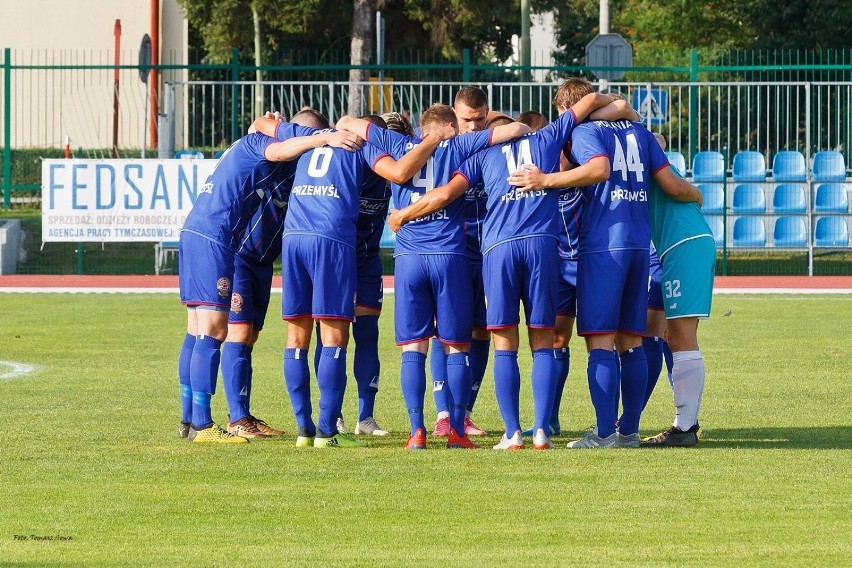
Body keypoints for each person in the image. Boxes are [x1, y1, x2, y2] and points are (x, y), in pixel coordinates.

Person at [389, 82, 626, 451]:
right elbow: (592, 100)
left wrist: (403, 213)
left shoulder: (483, 154)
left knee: (503, 342)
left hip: (498, 250)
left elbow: (443, 194)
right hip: (543, 248)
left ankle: (512, 432)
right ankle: (542, 431)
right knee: (543, 340)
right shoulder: (549, 137)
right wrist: (620, 106)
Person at [507, 94, 702, 449]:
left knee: (600, 341)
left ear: (567, 110)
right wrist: (697, 195)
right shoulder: (639, 133)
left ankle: (603, 433)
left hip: (602, 247)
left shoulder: (583, 132)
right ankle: (628, 432)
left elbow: (598, 169)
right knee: (632, 340)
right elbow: (670, 182)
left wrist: (544, 180)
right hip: (639, 244)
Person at [347, 104, 530, 450]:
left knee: (413, 347)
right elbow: (515, 130)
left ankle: (417, 431)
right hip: (449, 255)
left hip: (409, 258)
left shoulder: (397, 144)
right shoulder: (459, 146)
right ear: (448, 125)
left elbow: (348, 122)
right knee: (456, 345)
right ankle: (457, 429)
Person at [177, 121, 363, 443]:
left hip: (200, 233)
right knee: (214, 330)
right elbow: (277, 148)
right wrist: (323, 138)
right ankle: (204, 426)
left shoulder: (245, 150)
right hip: (217, 240)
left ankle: (190, 421)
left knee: (197, 329)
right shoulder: (255, 145)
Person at [281, 114, 445, 449]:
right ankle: (330, 422)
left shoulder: (345, 152)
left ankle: (363, 418)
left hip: (360, 256)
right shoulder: (365, 152)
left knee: (364, 332)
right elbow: (397, 170)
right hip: (335, 248)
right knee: (328, 332)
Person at [219, 109, 332, 440]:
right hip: (240, 254)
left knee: (250, 335)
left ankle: (243, 414)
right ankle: (237, 419)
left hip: (264, 261)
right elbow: (258, 126)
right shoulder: (271, 157)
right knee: (239, 334)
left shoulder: (308, 172)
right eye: (300, 135)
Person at [640, 133, 715, 447]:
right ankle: (686, 424)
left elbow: (676, 186)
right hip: (682, 247)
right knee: (673, 336)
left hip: (684, 246)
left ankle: (684, 427)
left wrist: (695, 192)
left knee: (682, 337)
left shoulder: (648, 162)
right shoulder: (645, 163)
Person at [430, 86, 493, 439]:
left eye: (479, 119)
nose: (472, 126)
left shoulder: (496, 146)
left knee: (483, 330)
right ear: (455, 116)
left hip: (489, 256)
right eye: (466, 119)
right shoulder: (441, 151)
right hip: (451, 253)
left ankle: (465, 411)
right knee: (448, 332)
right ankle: (443, 414)